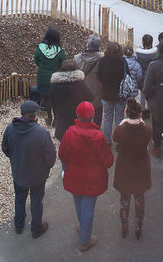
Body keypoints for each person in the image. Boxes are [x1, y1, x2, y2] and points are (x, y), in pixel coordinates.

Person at [58, 101, 114, 252]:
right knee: (88, 206)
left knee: (78, 200)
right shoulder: (98, 136)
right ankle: (85, 240)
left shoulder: (69, 133)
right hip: (93, 179)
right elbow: (108, 161)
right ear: (92, 117)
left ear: (77, 116)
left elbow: (62, 155)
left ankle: (82, 226)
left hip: (74, 176)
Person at [2, 100, 56, 238]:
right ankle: (36, 228)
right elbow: (50, 156)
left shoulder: (10, 129)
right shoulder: (42, 133)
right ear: (35, 115)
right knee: (37, 201)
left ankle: (19, 225)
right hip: (38, 176)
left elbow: (5, 149)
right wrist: (46, 168)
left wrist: (16, 160)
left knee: (19, 198)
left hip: (19, 173)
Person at [112, 98, 152, 239]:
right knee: (139, 198)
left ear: (126, 112)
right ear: (140, 114)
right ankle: (138, 226)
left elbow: (115, 138)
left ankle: (124, 225)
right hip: (141, 168)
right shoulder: (147, 129)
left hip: (125, 168)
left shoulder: (120, 130)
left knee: (124, 198)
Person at [49, 60, 94, 140]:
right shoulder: (80, 83)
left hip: (61, 120)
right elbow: (91, 96)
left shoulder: (55, 84)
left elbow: (51, 101)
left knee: (64, 144)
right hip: (77, 120)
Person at [97, 41, 129, 143]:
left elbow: (99, 76)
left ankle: (107, 140)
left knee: (107, 118)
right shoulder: (123, 62)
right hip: (120, 95)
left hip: (106, 94)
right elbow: (127, 76)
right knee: (119, 117)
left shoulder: (102, 61)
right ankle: (119, 141)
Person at [33, 27, 66, 112]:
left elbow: (36, 60)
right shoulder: (60, 51)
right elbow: (63, 64)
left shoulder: (40, 48)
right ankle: (55, 118)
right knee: (55, 99)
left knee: (46, 98)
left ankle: (49, 116)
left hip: (42, 78)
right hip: (55, 78)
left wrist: (42, 66)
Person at [75, 35, 105, 125]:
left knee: (82, 113)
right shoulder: (103, 58)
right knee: (98, 114)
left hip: (82, 92)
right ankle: (96, 132)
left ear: (87, 44)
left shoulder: (77, 58)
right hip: (98, 92)